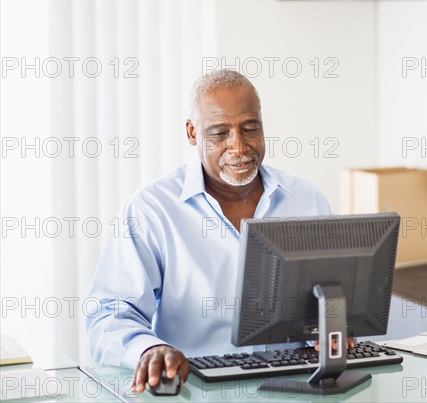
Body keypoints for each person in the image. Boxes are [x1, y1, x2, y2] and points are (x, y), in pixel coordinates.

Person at [86, 70, 331, 393]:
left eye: (250, 128)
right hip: (196, 391)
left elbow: (331, 296)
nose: (239, 147)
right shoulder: (152, 209)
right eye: (219, 133)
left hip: (296, 389)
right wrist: (148, 350)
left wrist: (333, 325)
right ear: (192, 132)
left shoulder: (305, 198)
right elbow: (109, 316)